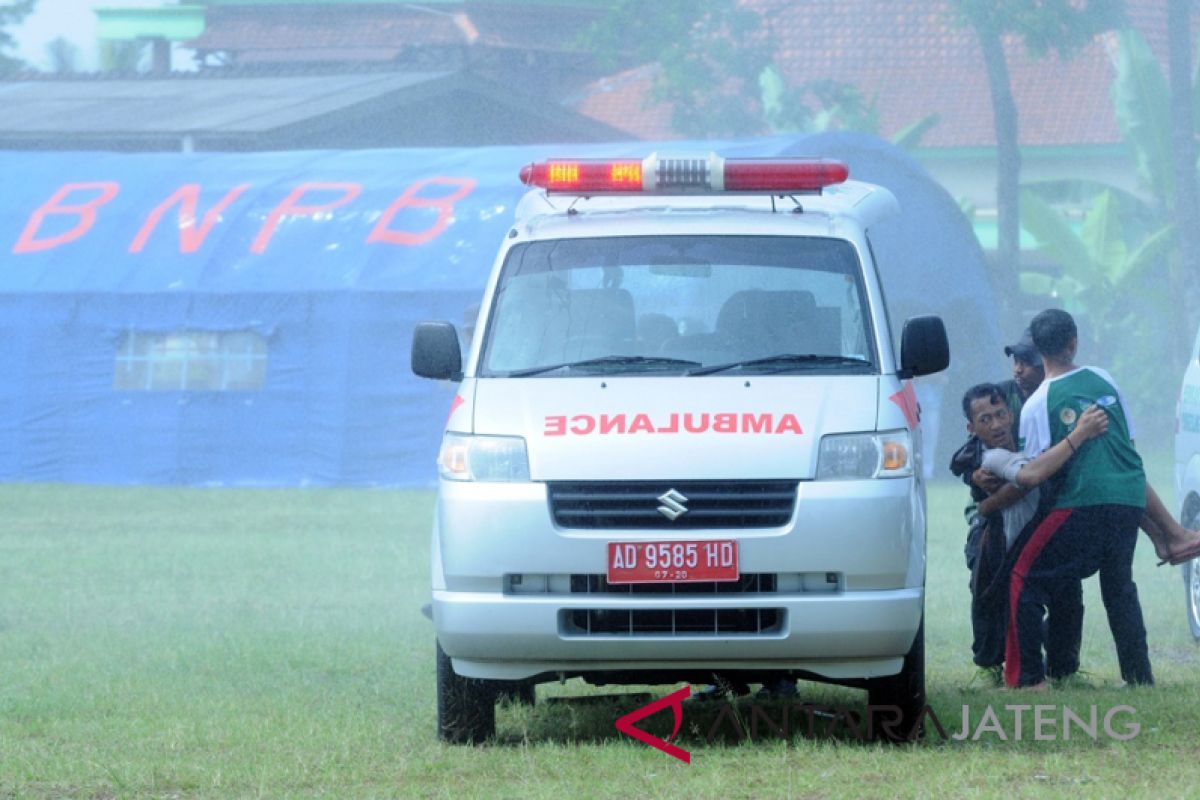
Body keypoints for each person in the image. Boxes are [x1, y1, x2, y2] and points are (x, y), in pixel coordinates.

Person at [1002, 309, 1154, 689]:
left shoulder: (1038, 403)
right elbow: (1127, 443)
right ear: (1074, 342)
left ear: (1037, 350)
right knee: (1120, 586)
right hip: (1130, 498)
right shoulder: (1104, 378)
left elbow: (1037, 471)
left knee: (1023, 575)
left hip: (1081, 502)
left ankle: (1027, 679)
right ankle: (1139, 678)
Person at [950, 383, 1083, 687]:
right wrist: (1078, 437)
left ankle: (1063, 668)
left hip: (1043, 535)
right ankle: (993, 667)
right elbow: (1030, 476)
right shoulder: (988, 457)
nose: (995, 424)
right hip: (999, 540)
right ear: (972, 427)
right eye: (985, 420)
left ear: (1011, 414)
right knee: (990, 598)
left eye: (1000, 415)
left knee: (1067, 595)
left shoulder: (1035, 424)